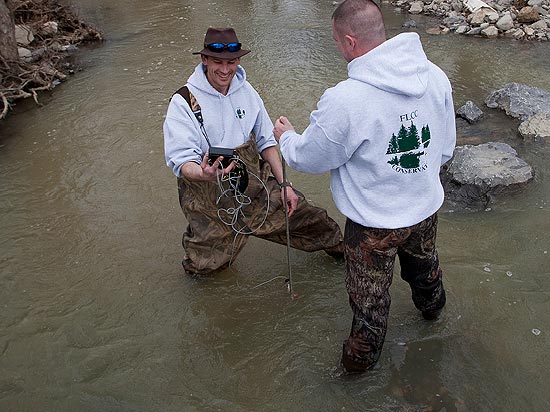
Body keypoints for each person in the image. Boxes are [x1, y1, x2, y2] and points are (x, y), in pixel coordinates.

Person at [273, 0, 456, 373]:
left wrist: (287, 136)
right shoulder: (435, 76)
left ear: (351, 42)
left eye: (338, 41)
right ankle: (438, 322)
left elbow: (310, 158)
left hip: (373, 226)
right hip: (424, 210)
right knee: (426, 274)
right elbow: (446, 148)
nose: (339, 48)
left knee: (369, 309)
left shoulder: (346, 99)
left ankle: (353, 380)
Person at [163, 27, 343, 276]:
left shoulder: (246, 91)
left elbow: (266, 142)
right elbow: (181, 161)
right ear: (204, 59)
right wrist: (203, 173)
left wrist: (284, 185)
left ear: (239, 60)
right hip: (209, 204)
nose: (225, 70)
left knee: (312, 220)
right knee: (205, 270)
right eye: (217, 62)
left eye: (232, 62)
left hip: (254, 189)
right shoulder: (183, 102)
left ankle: (347, 256)